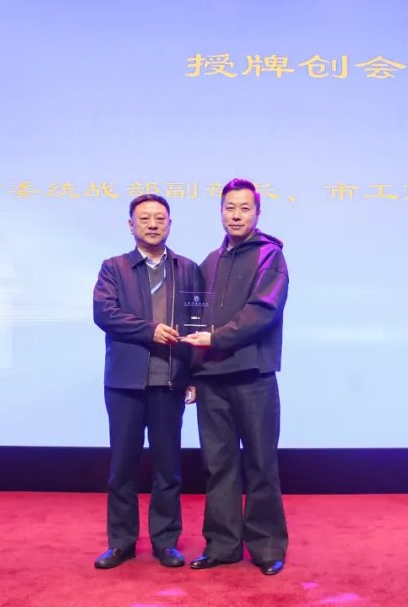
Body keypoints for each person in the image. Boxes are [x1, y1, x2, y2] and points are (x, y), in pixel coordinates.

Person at [180, 178, 289, 576]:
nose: (237, 215)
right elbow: (194, 319)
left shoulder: (270, 256)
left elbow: (262, 312)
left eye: (245, 208)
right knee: (218, 465)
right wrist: (192, 371)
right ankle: (223, 545)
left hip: (253, 376)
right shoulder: (209, 262)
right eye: (230, 208)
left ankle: (266, 547)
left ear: (258, 213)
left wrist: (216, 338)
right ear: (221, 211)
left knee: (261, 464)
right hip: (211, 377)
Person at [92, 193, 203, 570]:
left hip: (170, 380)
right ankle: (121, 543)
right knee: (122, 467)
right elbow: (105, 314)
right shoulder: (114, 268)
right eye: (144, 218)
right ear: (131, 226)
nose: (153, 224)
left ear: (170, 224)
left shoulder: (188, 269)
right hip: (125, 382)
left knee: (168, 467)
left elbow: (197, 325)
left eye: (159, 218)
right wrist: (149, 330)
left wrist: (194, 374)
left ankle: (166, 541)